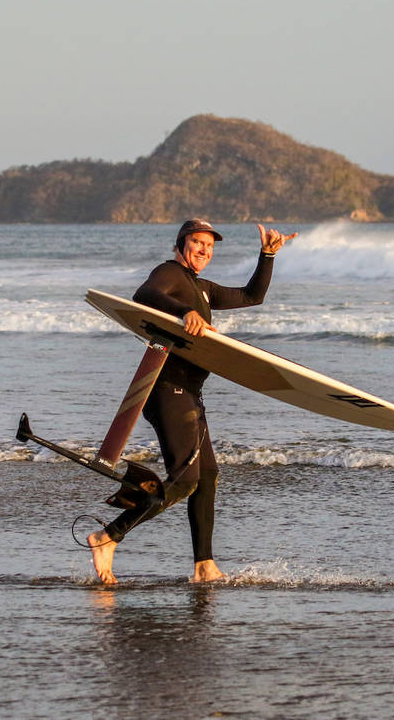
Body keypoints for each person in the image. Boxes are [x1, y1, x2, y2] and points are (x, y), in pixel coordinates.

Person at [87, 218, 297, 584]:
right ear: (182, 243)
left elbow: (252, 296)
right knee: (184, 481)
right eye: (198, 242)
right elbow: (145, 295)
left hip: (189, 392)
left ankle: (204, 566)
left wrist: (267, 255)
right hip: (167, 389)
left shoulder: (202, 288)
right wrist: (184, 312)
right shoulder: (169, 272)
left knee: (209, 477)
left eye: (210, 245)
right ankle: (107, 537)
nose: (205, 250)